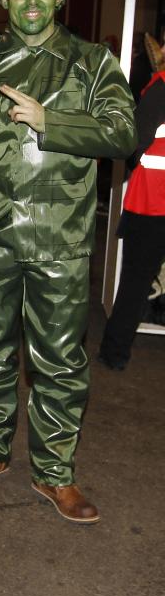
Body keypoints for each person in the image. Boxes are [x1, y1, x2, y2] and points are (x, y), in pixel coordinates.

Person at [0, 0, 135, 524]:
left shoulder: (91, 61)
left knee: (58, 359)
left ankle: (55, 472)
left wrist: (51, 121)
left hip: (61, 239)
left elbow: (124, 132)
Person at [98, 68, 165, 370]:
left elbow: (134, 145)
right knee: (136, 282)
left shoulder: (160, 86)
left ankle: (114, 354)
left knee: (135, 281)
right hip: (152, 201)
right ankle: (114, 353)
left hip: (152, 201)